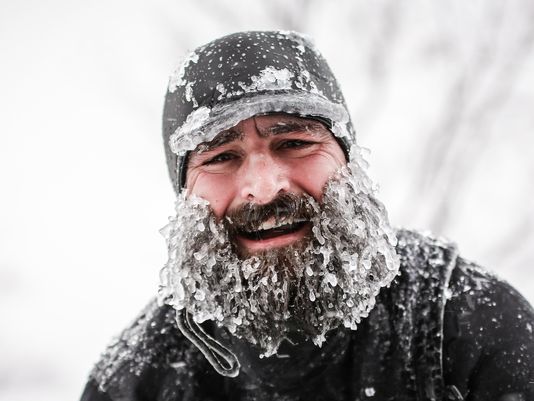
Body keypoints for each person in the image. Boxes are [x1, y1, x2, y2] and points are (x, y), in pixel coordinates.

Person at [80, 31, 534, 401]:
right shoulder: (135, 382)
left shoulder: (468, 330)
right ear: (183, 194)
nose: (264, 186)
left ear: (348, 164)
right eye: (220, 157)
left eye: (294, 142)